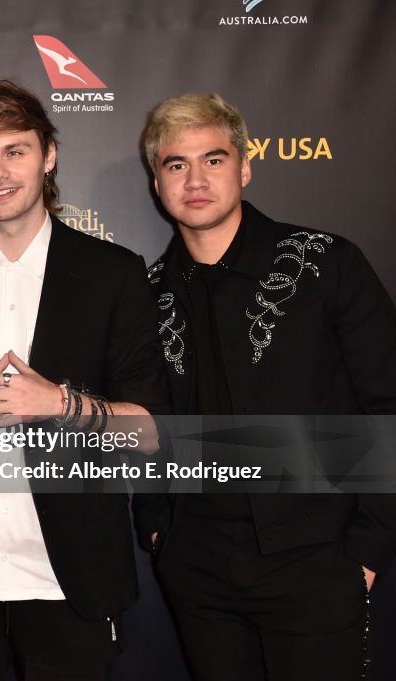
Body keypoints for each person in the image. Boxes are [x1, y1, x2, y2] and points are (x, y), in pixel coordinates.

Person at [0, 79, 169, 681]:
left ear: (48, 154)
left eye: (14, 151)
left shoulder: (115, 273)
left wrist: (58, 402)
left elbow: (153, 433)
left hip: (73, 575)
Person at [136, 92, 396, 681]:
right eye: (177, 164)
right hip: (196, 565)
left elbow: (388, 403)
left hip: (318, 559)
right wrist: (159, 527)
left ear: (245, 168)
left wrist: (369, 548)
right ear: (157, 182)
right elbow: (147, 423)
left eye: (215, 159)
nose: (196, 179)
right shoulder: (147, 294)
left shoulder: (325, 264)